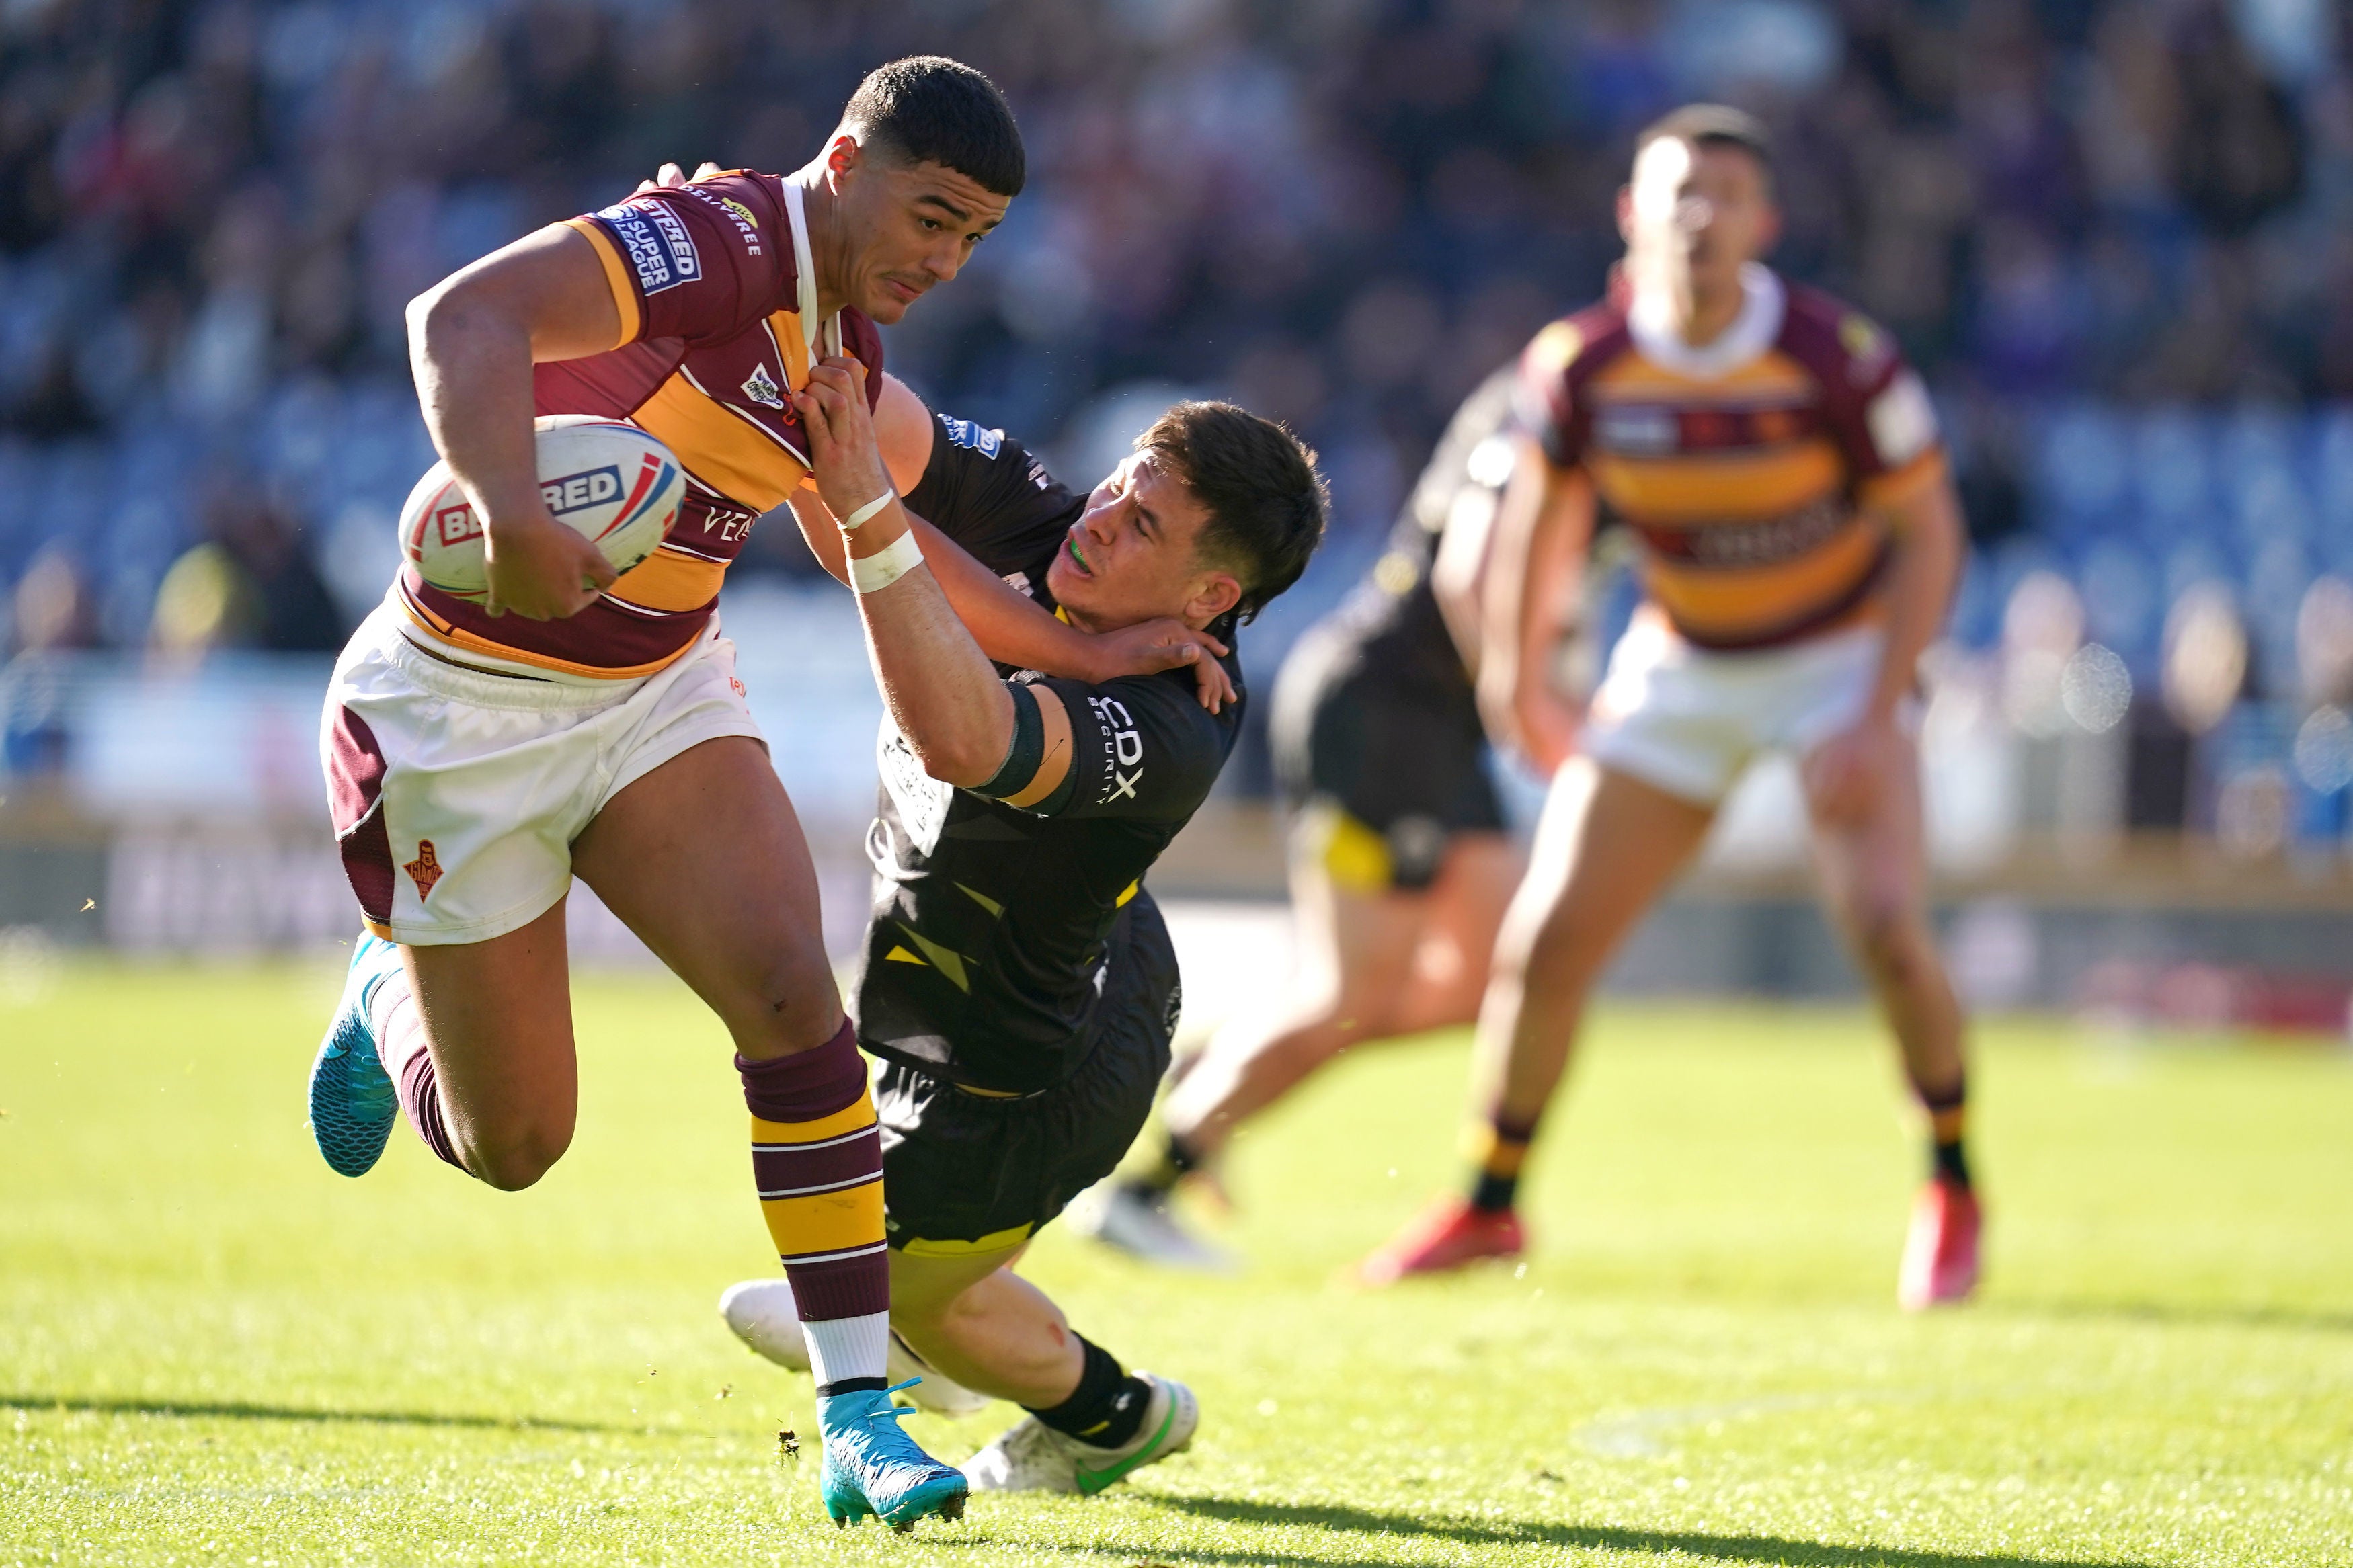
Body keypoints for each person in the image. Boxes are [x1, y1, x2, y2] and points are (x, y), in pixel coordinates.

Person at [301, 58, 1221, 1533]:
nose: (944, 261)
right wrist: (517, 518)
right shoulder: (721, 241)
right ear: (844, 161)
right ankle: (384, 988)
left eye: (973, 239)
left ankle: (858, 1414)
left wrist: (1094, 644)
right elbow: (458, 316)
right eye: (929, 216)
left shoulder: (835, 337)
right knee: (514, 1147)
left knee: (797, 1007)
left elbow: (884, 518)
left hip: (654, 691)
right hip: (458, 721)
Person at [1360, 105, 1983, 1310]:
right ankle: (1489, 1201)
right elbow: (1545, 509)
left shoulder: (1836, 357)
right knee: (1548, 942)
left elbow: (1930, 530)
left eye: (1725, 197)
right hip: (1683, 656)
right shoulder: (1581, 363)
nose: (1699, 217)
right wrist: (1514, 672)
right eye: (1677, 194)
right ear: (1630, 215)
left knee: (1890, 926)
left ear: (1765, 224)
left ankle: (1952, 1182)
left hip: (1838, 659)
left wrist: (1877, 703)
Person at [717, 373, 1324, 1495]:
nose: (1099, 519)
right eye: (1120, 484)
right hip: (976, 995)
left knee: (886, 1295)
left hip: (1031, 1074)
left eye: (1144, 524)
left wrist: (866, 510)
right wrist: (787, 292)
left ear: (1209, 596)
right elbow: (837, 432)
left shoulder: (1180, 717)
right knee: (899, 1282)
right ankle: (1025, 1373)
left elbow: (964, 736)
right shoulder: (1051, 521)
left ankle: (1052, 1392)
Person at [1076, 367, 1542, 1269]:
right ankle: (1148, 1186)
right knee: (1352, 995)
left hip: (1444, 725)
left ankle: (1221, 1066)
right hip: (1378, 715)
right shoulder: (1548, 411)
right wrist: (1539, 698)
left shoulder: (1621, 421)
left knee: (1501, 980)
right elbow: (1473, 581)